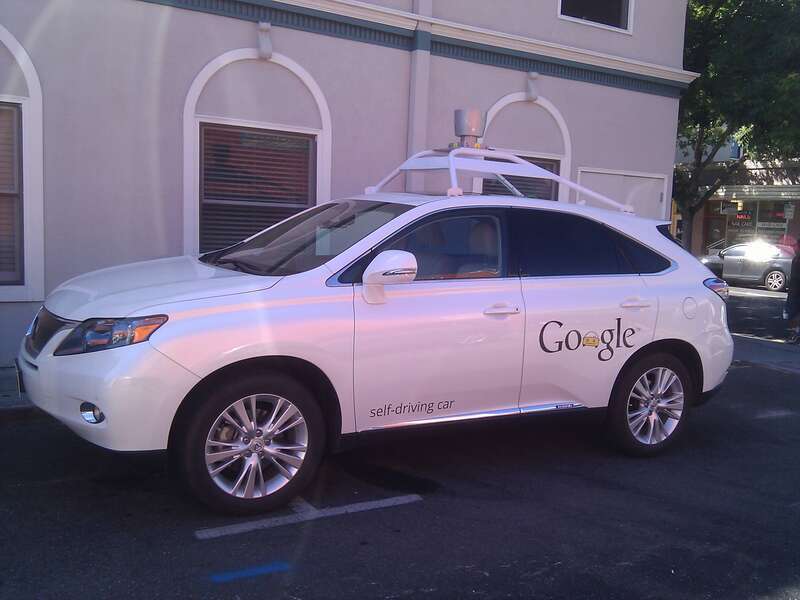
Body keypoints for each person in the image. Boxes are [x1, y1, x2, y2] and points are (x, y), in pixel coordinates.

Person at [787, 236, 800, 344]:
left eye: (795, 246)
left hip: (796, 292)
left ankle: (794, 336)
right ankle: (793, 335)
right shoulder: (795, 259)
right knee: (791, 314)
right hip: (793, 291)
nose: (794, 248)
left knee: (794, 315)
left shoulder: (797, 259)